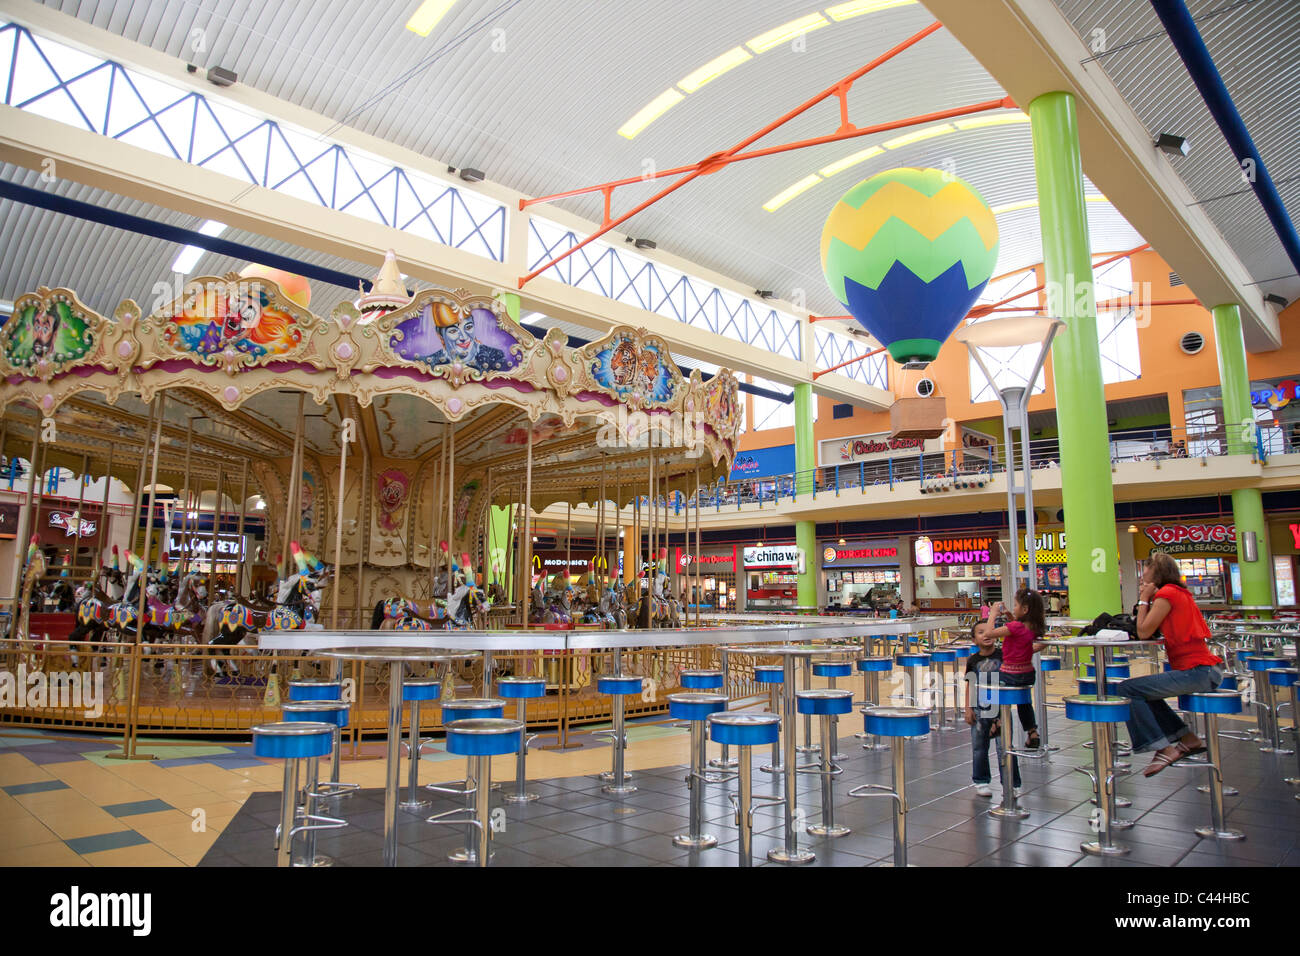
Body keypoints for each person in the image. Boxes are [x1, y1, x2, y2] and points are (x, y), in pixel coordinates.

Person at [1118, 551, 1221, 776]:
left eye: (1146, 567)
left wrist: (1144, 599)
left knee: (1126, 689)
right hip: (1202, 670)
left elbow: (1143, 632)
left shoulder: (1166, 594)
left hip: (1196, 671)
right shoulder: (1178, 592)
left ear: (1156, 571)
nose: (1143, 572)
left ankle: (1163, 748)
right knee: (1143, 692)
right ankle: (1188, 739)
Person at [965, 620, 1021, 797]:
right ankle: (981, 781)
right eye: (980, 632)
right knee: (979, 746)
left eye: (988, 631)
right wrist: (968, 708)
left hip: (1001, 708)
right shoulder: (973, 660)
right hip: (980, 709)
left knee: (1005, 745)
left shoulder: (1003, 655)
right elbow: (970, 685)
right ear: (974, 640)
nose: (986, 635)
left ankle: (1012, 781)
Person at [989, 588, 1047, 749]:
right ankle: (1032, 731)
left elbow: (988, 633)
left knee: (989, 686)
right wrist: (1008, 615)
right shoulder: (1032, 627)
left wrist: (992, 614)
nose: (1013, 608)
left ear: (1025, 609)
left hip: (1010, 675)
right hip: (1027, 674)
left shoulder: (1015, 627)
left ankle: (997, 721)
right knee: (1024, 701)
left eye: (1015, 605)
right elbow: (1021, 636)